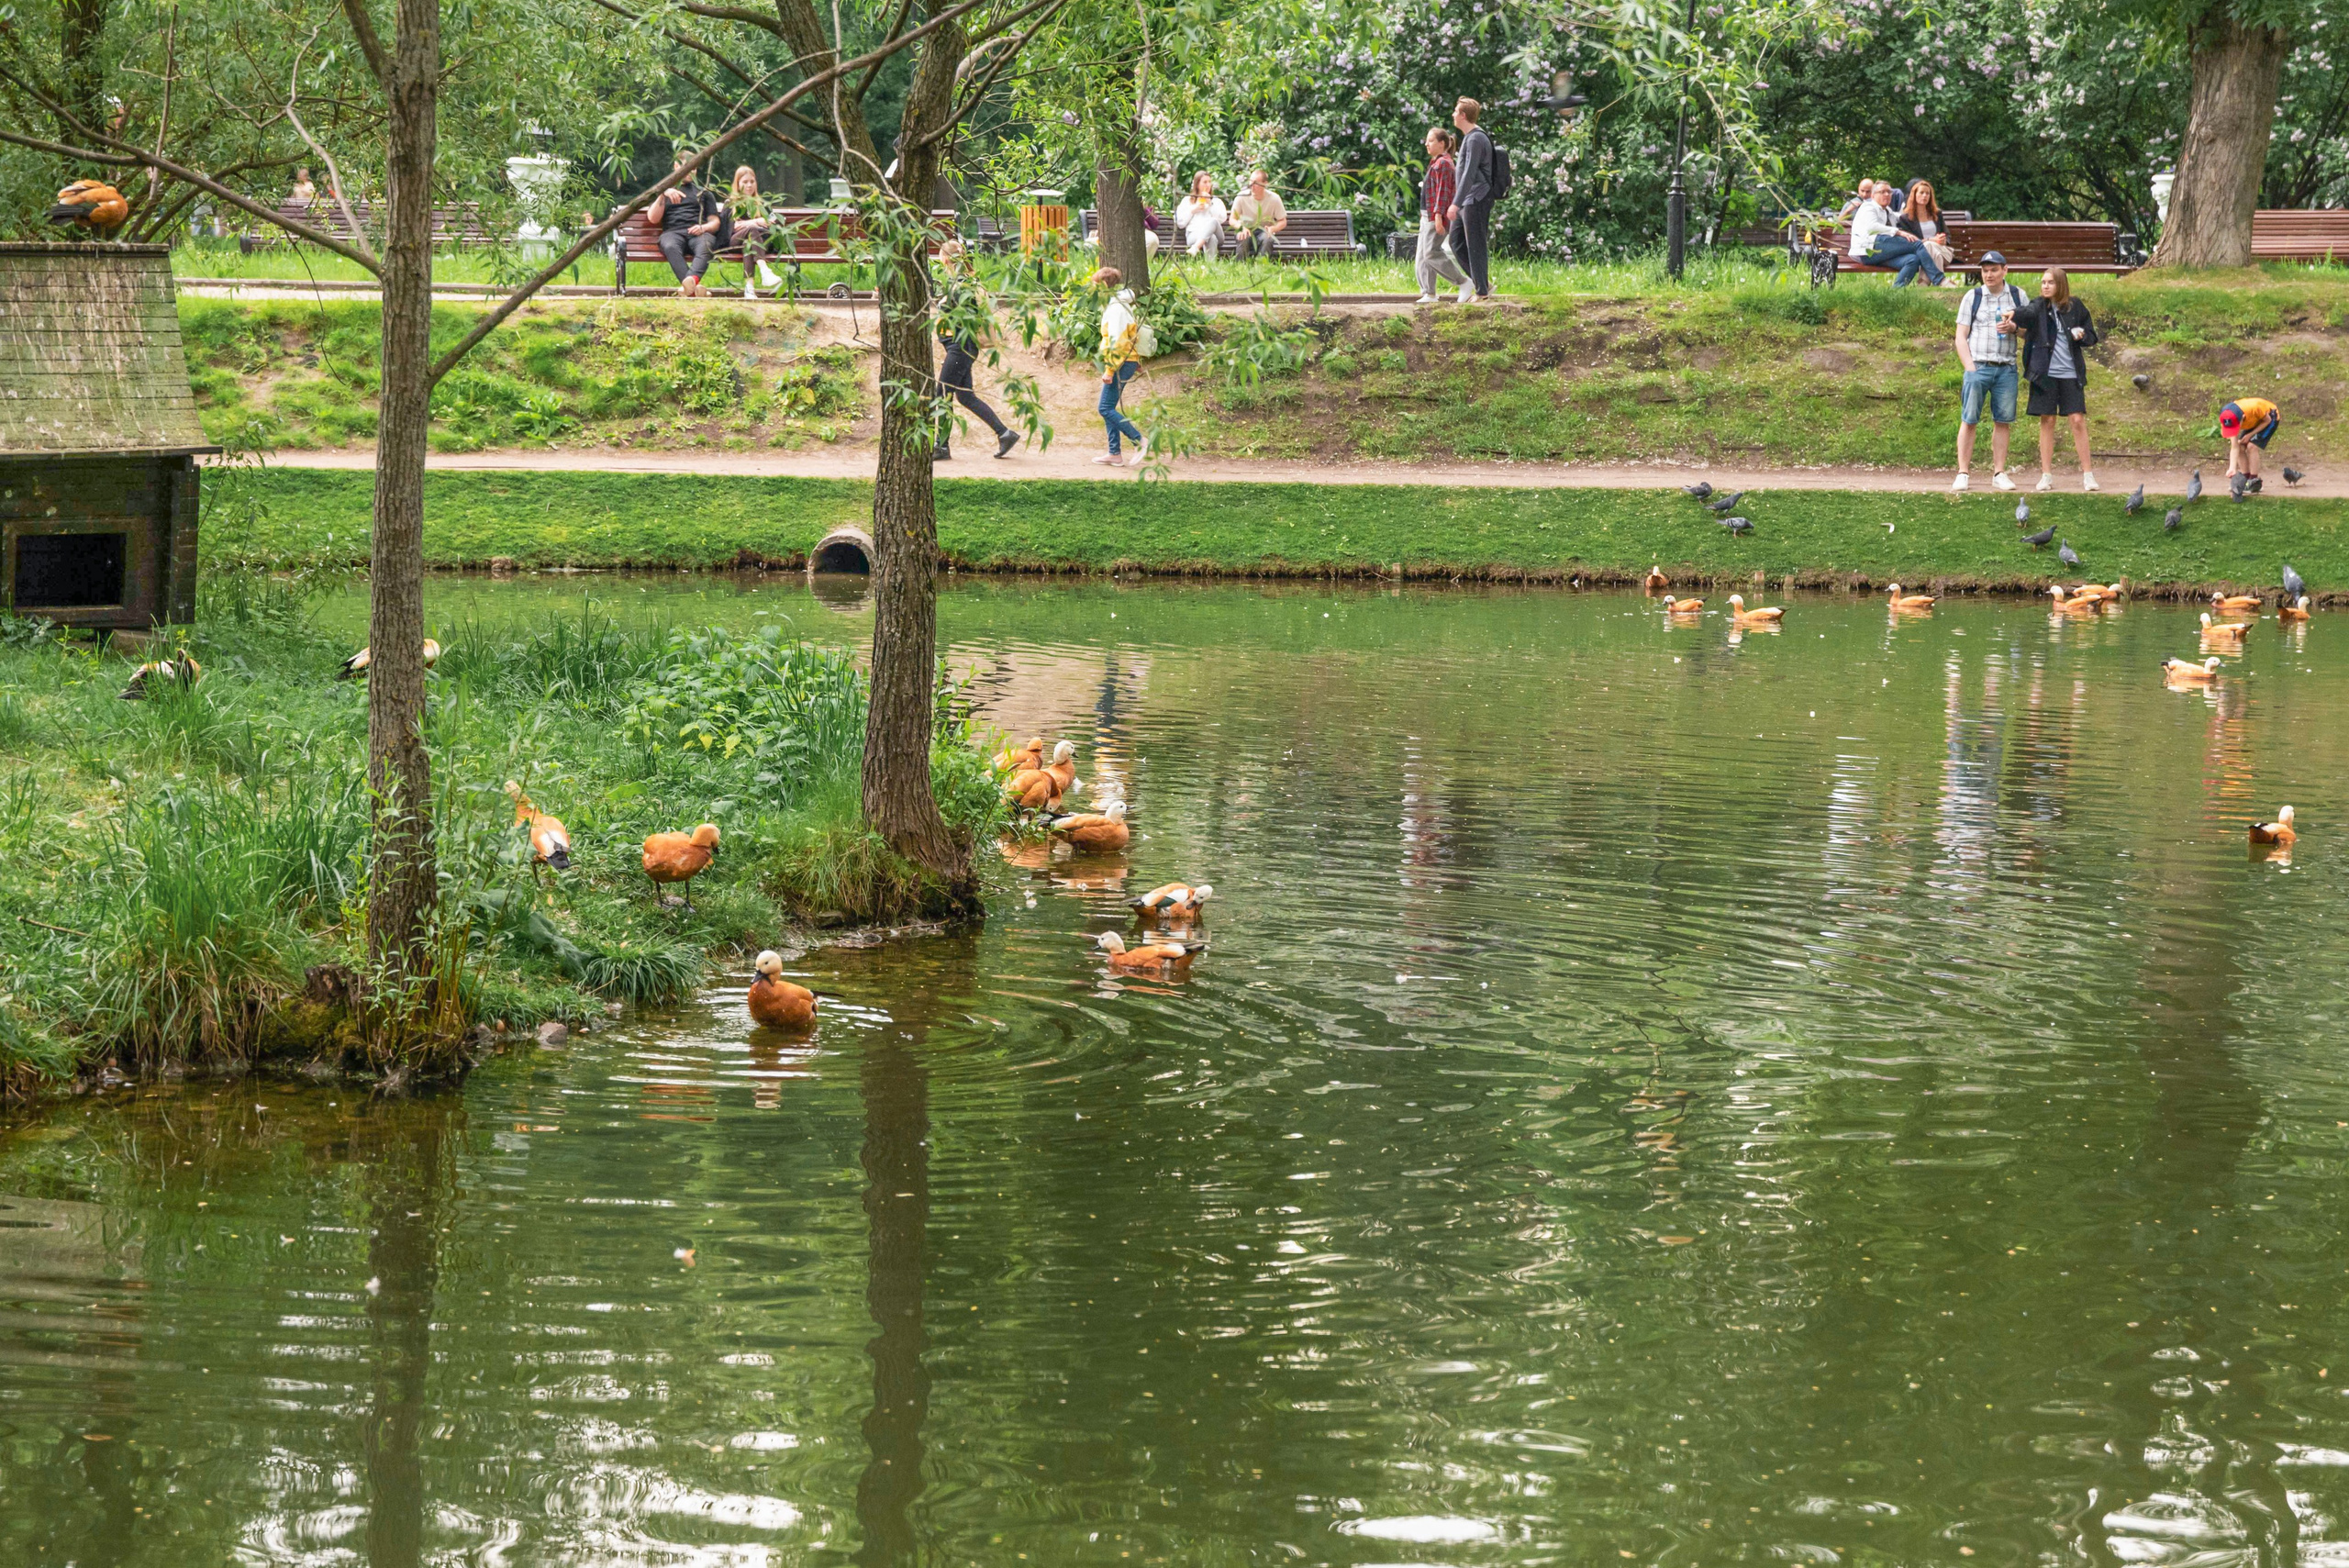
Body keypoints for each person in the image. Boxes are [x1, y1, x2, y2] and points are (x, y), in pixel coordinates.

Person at [2012, 266, 2100, 492]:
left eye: (2050, 282)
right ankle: (2046, 475)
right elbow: (2026, 314)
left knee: (2077, 420)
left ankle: (2088, 475)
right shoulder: (2038, 306)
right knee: (2047, 421)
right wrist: (2011, 314)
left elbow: (2092, 336)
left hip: (2071, 373)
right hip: (2045, 374)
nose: (2045, 286)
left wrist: (2081, 334)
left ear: (2060, 285)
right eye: (2043, 282)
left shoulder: (2076, 306)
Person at [931, 240, 1019, 462]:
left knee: (942, 394)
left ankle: (941, 446)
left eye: (940, 256)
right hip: (961, 347)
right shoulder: (962, 282)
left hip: (960, 347)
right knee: (965, 397)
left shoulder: (961, 285)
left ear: (946, 259)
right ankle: (1004, 434)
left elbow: (966, 316)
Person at [1952, 250, 2027, 493]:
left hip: (2006, 368)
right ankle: (1963, 472)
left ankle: (1999, 472)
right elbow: (1960, 337)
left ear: (2005, 270)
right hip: (1978, 367)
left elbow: (2030, 331)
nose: (1989, 274)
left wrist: (2014, 328)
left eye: (1994, 269)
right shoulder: (1972, 296)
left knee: (2003, 421)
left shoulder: (2018, 295)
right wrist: (1970, 369)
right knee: (1969, 419)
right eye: (1985, 270)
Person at [1093, 267, 1148, 466]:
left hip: (1120, 362)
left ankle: (1139, 440)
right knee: (1109, 407)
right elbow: (1130, 338)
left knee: (1105, 408)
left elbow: (1118, 342)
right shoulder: (1120, 305)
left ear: (1104, 286)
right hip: (1126, 360)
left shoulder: (1116, 309)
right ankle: (1114, 453)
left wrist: (1109, 370)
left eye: (1095, 285)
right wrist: (1137, 362)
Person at [1448, 96, 1496, 303]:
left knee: (1475, 244)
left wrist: (1455, 203)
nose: (1453, 114)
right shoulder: (1469, 138)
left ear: (1463, 115)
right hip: (1467, 199)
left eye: (1456, 111)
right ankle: (1483, 283)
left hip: (1477, 197)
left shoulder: (1476, 138)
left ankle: (1482, 292)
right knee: (1456, 242)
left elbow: (1469, 173)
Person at [651, 157, 721, 296]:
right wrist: (662, 193)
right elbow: (653, 218)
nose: (690, 170)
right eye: (685, 166)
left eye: (693, 167)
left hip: (698, 233)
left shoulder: (704, 192)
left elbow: (715, 222)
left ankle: (689, 289)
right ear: (676, 166)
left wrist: (703, 228)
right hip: (673, 233)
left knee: (707, 244)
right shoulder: (665, 190)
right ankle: (695, 289)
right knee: (670, 246)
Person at [1850, 180, 1941, 286]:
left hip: (1880, 254)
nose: (1887, 194)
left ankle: (1896, 292)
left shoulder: (1887, 211)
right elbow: (1872, 227)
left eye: (1889, 192)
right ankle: (1939, 280)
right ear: (1873, 195)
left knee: (1912, 260)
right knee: (1916, 244)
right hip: (1868, 250)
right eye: (1882, 192)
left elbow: (1903, 217)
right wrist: (1898, 232)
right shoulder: (1868, 207)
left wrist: (1919, 210)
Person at [1414, 126, 1468, 304]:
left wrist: (1438, 216)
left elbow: (1442, 193)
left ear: (1442, 143)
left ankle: (1462, 282)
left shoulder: (1444, 163)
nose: (1426, 144)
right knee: (1422, 256)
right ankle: (1429, 293)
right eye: (1426, 140)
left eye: (1431, 141)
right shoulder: (1436, 162)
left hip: (1434, 216)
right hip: (1427, 215)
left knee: (1430, 253)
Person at [720, 165, 785, 296]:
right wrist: (756, 222)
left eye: (752, 182)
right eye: (745, 182)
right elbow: (733, 227)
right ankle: (765, 271)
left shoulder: (761, 204)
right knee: (752, 230)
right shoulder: (731, 203)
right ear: (737, 184)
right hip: (734, 241)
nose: (749, 185)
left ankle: (749, 289)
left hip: (758, 243)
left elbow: (772, 226)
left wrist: (769, 223)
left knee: (748, 244)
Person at [1898, 180, 1956, 284]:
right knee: (1930, 249)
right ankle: (1938, 283)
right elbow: (1909, 241)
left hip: (1944, 251)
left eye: (1927, 193)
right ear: (1914, 195)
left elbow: (1947, 235)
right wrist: (1930, 240)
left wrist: (1943, 240)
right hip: (1923, 254)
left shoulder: (1937, 214)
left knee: (1930, 247)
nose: (1924, 196)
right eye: (1921, 192)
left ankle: (1923, 283)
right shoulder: (1905, 218)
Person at [2221, 395, 2281, 489]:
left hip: (2269, 417)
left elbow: (2267, 420)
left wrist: (2250, 434)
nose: (2234, 430)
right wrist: (2232, 468)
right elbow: (2234, 446)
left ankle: (2254, 482)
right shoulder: (2228, 417)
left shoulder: (2254, 408)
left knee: (2251, 446)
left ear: (2243, 417)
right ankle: (2245, 479)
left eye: (2235, 427)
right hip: (2254, 420)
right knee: (2240, 445)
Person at [1229, 171, 1287, 261]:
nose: (1252, 185)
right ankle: (1240, 266)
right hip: (1246, 228)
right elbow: (1232, 219)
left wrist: (1273, 229)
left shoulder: (1274, 198)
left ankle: (1262, 265)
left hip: (1264, 230)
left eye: (1255, 183)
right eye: (1250, 181)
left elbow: (1282, 221)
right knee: (1242, 236)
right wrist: (1241, 227)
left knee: (1268, 238)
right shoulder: (1241, 197)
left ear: (1265, 184)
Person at [1175, 173, 1227, 257]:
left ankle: (1195, 247)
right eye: (1205, 182)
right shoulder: (1187, 201)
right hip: (1194, 234)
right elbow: (1180, 223)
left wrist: (1210, 203)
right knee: (1211, 237)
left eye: (1209, 182)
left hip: (1218, 236)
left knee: (1213, 221)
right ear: (1197, 184)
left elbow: (1222, 219)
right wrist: (1193, 210)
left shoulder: (1216, 201)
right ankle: (1211, 267)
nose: (1208, 185)